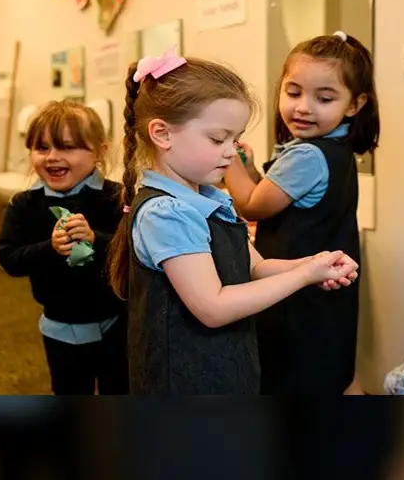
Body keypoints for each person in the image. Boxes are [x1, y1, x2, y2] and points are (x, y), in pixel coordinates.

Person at [107, 48, 360, 395]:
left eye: (235, 139)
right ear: (163, 134)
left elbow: (256, 267)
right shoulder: (167, 214)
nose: (231, 151)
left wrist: (313, 265)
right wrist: (302, 276)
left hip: (226, 366)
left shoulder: (212, 199)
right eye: (217, 139)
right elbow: (213, 307)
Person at [223, 31, 381, 395]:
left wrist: (226, 154)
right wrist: (248, 170)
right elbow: (270, 196)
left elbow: (251, 205)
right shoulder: (336, 147)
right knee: (332, 370)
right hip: (326, 294)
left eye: (324, 98)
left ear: (355, 104)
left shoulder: (307, 156)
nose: (303, 107)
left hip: (298, 296)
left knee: (294, 375)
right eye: (293, 93)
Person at [0, 100, 128, 395]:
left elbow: (135, 253)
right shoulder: (23, 205)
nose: (52, 157)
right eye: (42, 148)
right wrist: (50, 248)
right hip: (59, 328)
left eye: (67, 147)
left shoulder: (117, 198)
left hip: (115, 324)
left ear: (100, 151)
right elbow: (9, 259)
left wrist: (96, 239)